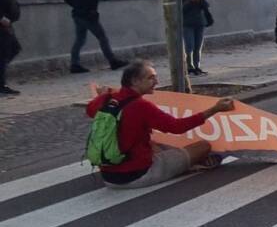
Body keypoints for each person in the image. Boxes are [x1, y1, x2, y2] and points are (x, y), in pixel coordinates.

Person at [85, 60, 234, 188]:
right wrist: (215, 109)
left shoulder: (106, 99)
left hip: (108, 176)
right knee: (204, 146)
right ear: (136, 81)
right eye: (151, 78)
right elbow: (177, 127)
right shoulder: (141, 106)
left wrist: (103, 94)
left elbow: (90, 110)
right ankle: (191, 165)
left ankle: (185, 162)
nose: (156, 82)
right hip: (137, 175)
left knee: (154, 143)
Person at [63, 0, 127, 73]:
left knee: (79, 40)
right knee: (103, 38)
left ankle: (74, 64)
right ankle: (113, 61)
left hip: (77, 15)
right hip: (89, 16)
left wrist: (76, 5)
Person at [181, 0, 212, 76]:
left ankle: (197, 67)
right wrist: (191, 0)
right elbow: (180, 10)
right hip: (187, 24)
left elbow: (206, 6)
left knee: (198, 47)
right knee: (190, 46)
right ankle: (189, 68)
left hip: (199, 23)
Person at [0, 0, 20, 95]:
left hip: (7, 24)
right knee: (3, 55)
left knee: (13, 49)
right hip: (2, 25)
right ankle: (1, 86)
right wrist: (1, 18)